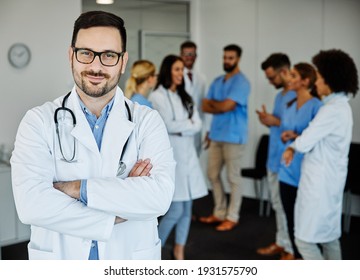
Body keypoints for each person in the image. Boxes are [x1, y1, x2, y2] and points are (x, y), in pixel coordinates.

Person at [10, 11, 175, 260]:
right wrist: (119, 208)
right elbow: (31, 205)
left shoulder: (147, 121)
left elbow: (159, 198)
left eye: (109, 55)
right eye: (86, 53)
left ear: (123, 61)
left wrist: (77, 188)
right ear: (71, 56)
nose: (96, 66)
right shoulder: (38, 121)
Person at [283, 49, 359, 260]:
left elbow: (306, 141)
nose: (316, 82)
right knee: (329, 238)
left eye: (320, 78)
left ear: (331, 80)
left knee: (304, 241)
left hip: (320, 186)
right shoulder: (339, 107)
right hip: (328, 183)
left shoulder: (331, 110)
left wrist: (291, 147)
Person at [149, 55, 208, 260]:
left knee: (187, 209)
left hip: (189, 156)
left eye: (182, 70)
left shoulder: (186, 96)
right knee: (175, 210)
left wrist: (183, 127)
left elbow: (198, 124)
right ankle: (152, 249)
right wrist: (188, 126)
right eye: (176, 69)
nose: (180, 74)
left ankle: (179, 250)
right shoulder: (157, 96)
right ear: (167, 71)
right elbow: (167, 125)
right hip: (172, 155)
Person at [199, 44, 250, 231]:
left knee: (233, 177)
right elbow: (204, 106)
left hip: (234, 137)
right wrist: (218, 105)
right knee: (212, 174)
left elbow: (226, 107)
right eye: (225, 57)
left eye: (230, 58)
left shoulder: (242, 82)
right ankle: (219, 212)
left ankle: (232, 216)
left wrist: (217, 105)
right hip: (216, 135)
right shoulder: (218, 81)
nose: (226, 61)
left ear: (238, 59)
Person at [278, 63, 323, 259]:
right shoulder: (288, 104)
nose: (289, 78)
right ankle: (296, 257)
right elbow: (284, 132)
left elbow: (316, 139)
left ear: (305, 81)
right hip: (286, 170)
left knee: (308, 225)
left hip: (306, 172)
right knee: (290, 219)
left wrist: (295, 136)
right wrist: (286, 136)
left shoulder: (317, 107)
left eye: (294, 75)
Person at [255, 53, 295, 260]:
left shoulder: (301, 95)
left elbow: (302, 129)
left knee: (288, 207)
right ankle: (282, 242)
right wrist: (268, 120)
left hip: (289, 163)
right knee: (277, 205)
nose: (270, 82)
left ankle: (291, 249)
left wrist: (276, 122)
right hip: (274, 158)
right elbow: (278, 123)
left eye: (272, 78)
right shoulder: (280, 96)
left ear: (284, 71)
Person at [180, 41, 208, 155]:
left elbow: (204, 104)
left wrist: (207, 130)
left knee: (194, 159)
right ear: (180, 55)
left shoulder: (202, 78)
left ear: (196, 56)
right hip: (180, 127)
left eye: (191, 54)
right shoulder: (176, 75)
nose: (188, 57)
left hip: (196, 127)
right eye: (185, 54)